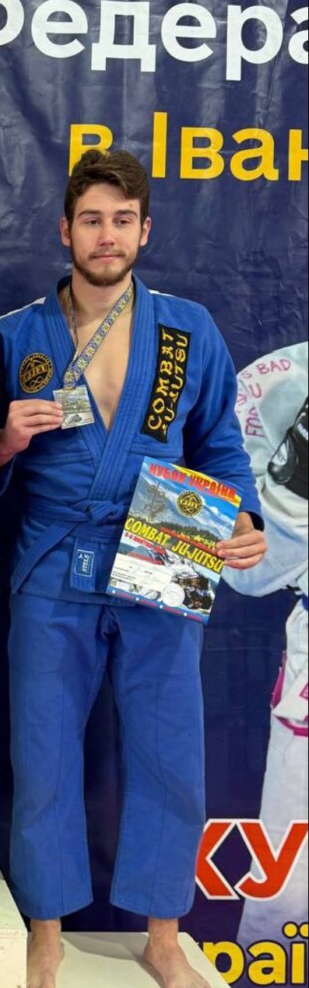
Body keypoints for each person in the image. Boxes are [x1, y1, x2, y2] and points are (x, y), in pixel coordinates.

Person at [0, 148, 267, 988]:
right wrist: (5, 442)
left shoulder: (188, 330)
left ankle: (163, 936)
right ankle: (45, 931)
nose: (105, 236)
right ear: (64, 230)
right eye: (91, 220)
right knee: (43, 755)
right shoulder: (18, 334)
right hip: (53, 559)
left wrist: (243, 515)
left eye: (121, 220)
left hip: (163, 550)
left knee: (168, 752)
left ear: (145, 230)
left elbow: (218, 444)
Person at [222, 343, 307, 955]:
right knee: (292, 851)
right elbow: (246, 574)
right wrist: (295, 483)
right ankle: (272, 979)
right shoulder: (283, 381)